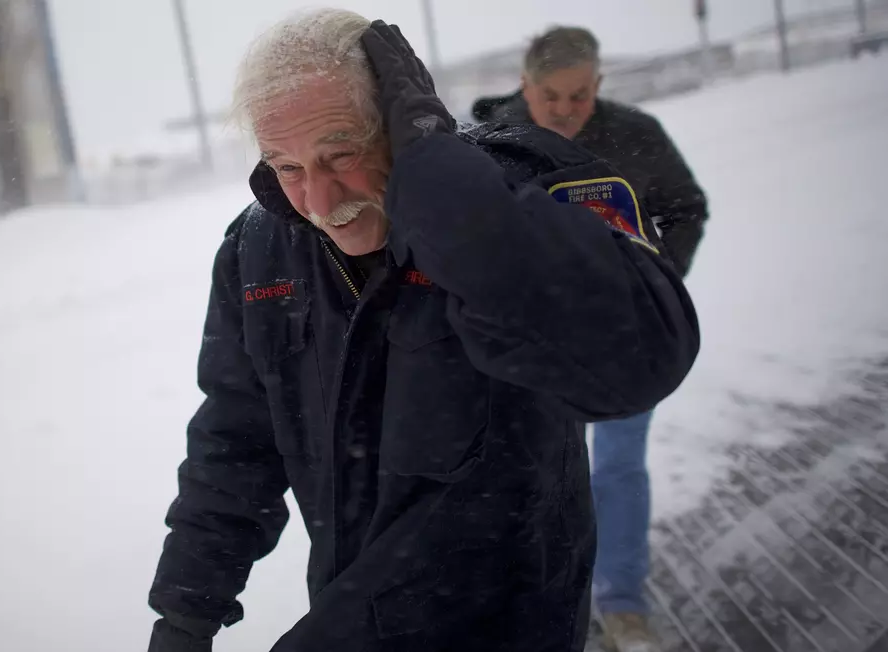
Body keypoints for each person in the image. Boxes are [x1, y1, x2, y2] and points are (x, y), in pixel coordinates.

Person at [147, 9, 700, 652]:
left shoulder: (520, 187)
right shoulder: (258, 247)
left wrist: (443, 191)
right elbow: (236, 436)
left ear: (395, 122)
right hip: (349, 610)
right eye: (287, 167)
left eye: (342, 153)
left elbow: (636, 366)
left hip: (510, 622)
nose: (320, 204)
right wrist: (187, 611)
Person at [472, 26, 710, 652]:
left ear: (598, 84)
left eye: (580, 94)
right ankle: (546, 611)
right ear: (526, 85)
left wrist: (651, 287)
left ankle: (623, 606)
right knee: (537, 478)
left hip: (625, 342)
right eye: (551, 95)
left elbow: (686, 208)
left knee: (618, 469)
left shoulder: (636, 135)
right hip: (533, 354)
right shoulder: (487, 147)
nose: (566, 109)